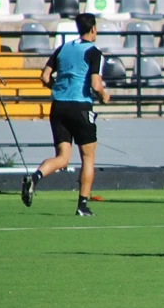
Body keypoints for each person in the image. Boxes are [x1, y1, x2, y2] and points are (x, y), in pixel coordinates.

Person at [21, 13, 110, 216]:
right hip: (80, 106)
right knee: (88, 157)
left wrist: (57, 88)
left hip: (59, 106)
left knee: (62, 157)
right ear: (93, 29)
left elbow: (44, 76)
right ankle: (82, 205)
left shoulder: (63, 48)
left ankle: (34, 178)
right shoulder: (94, 52)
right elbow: (96, 84)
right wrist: (104, 95)